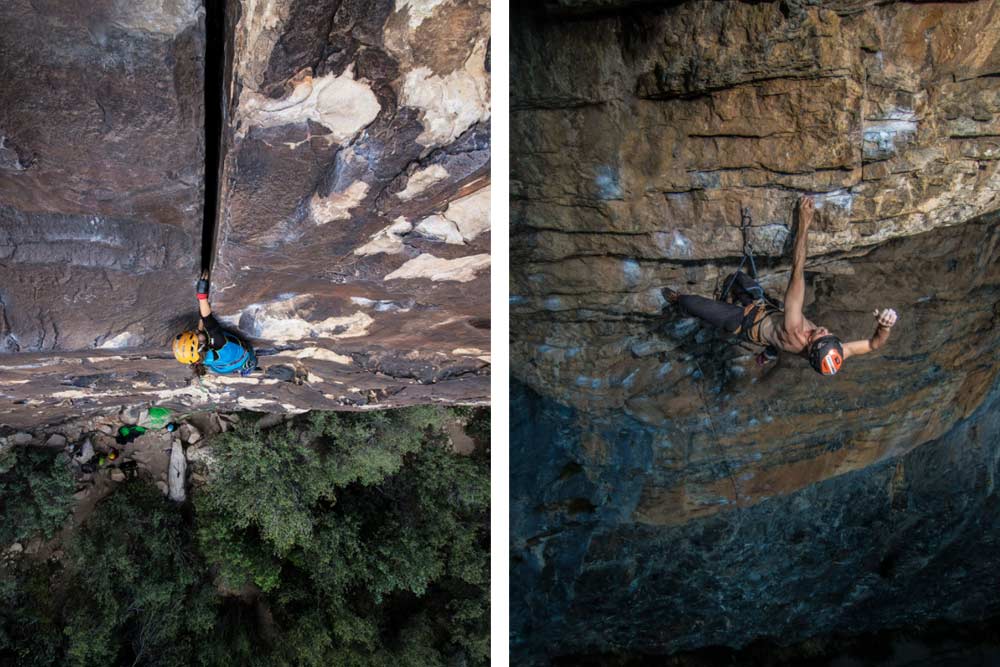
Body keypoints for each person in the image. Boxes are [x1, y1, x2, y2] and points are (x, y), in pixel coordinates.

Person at [663, 196, 898, 376]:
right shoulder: (830, 351)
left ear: (810, 345)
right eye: (829, 336)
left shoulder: (795, 327)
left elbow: (797, 269)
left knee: (695, 302)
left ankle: (677, 303)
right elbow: (872, 344)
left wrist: (804, 224)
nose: (826, 330)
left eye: (820, 335)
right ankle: (769, 353)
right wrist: (884, 326)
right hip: (769, 315)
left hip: (747, 324)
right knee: (737, 281)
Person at [172, 270, 258, 376]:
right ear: (201, 347)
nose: (195, 332)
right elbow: (207, 319)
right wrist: (202, 294)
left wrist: (199, 329)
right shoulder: (219, 342)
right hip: (240, 357)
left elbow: (201, 328)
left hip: (221, 368)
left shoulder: (198, 357)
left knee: (216, 368)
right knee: (251, 358)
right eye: (195, 336)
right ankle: (246, 367)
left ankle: (239, 368)